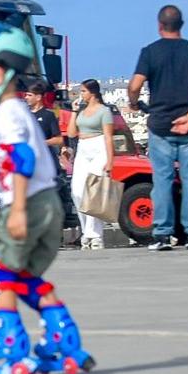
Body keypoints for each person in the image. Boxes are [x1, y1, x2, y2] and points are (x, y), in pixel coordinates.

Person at [0, 23, 95, 374]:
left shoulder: (7, 115)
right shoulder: (19, 112)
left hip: (25, 202)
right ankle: (63, 340)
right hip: (47, 203)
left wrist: (15, 212)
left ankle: (7, 347)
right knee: (24, 276)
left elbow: (21, 160)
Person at [126, 4, 188, 251]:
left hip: (160, 125)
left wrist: (134, 103)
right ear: (181, 25)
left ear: (159, 25)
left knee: (162, 181)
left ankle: (162, 234)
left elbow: (135, 85)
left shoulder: (150, 53)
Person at [69, 79, 116, 250]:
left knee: (94, 192)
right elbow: (72, 132)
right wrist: (74, 111)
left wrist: (110, 161)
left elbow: (109, 137)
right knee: (78, 192)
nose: (81, 94)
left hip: (99, 147)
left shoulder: (104, 111)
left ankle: (94, 235)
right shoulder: (82, 111)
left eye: (83, 91)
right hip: (83, 148)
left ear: (92, 92)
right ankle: (86, 230)